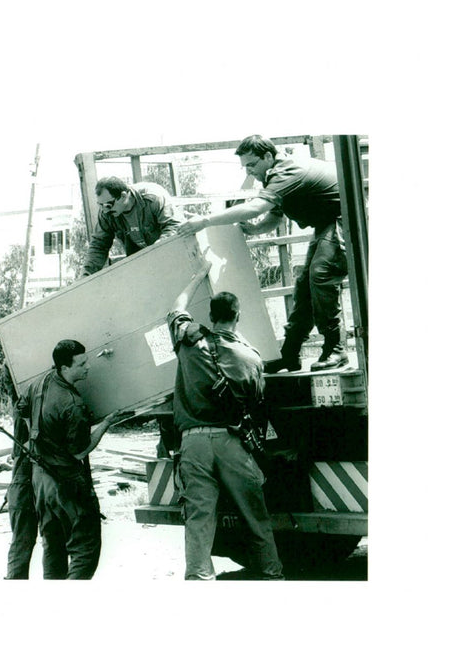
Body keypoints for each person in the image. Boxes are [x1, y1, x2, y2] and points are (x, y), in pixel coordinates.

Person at [177, 135, 349, 373]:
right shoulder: (276, 175)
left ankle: (336, 349)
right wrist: (255, 229)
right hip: (326, 225)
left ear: (268, 156)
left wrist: (205, 220)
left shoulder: (287, 171)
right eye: (245, 167)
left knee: (320, 275)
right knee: (304, 286)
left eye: (252, 165)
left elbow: (258, 206)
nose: (249, 172)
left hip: (344, 221)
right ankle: (289, 354)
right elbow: (275, 215)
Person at [167, 264, 285, 581]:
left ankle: (199, 579)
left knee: (199, 519)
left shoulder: (188, 342)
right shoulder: (251, 357)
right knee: (255, 515)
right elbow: (256, 407)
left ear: (210, 314)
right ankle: (272, 575)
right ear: (238, 316)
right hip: (231, 443)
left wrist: (197, 275)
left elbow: (176, 308)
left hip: (192, 443)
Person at [21, 340, 121, 579]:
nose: (88, 367)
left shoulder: (39, 383)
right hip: (65, 482)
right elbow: (80, 451)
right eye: (82, 364)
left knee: (53, 546)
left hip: (40, 482)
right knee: (85, 550)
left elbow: (21, 407)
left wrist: (38, 435)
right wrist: (107, 423)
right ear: (65, 368)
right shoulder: (72, 404)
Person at [81, 176, 181, 276]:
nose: (105, 210)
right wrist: (86, 274)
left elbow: (174, 226)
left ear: (123, 196)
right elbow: (99, 245)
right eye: (100, 205)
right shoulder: (106, 214)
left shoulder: (154, 197)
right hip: (144, 266)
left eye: (108, 205)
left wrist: (156, 250)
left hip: (173, 256)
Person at [4, 380, 40, 580]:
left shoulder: (21, 408)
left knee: (22, 541)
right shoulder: (24, 408)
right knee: (23, 541)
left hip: (23, 479)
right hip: (25, 478)